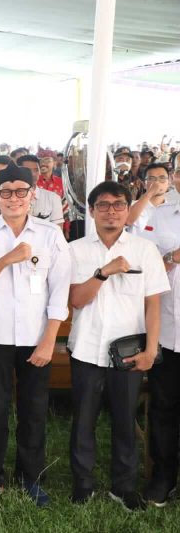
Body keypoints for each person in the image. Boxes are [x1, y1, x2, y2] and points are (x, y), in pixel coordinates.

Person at [0, 165, 71, 507]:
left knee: (34, 409)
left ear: (33, 194)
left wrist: (49, 340)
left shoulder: (50, 234)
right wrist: (7, 259)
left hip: (35, 337)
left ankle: (31, 477)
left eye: (21, 191)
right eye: (6, 192)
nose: (14, 198)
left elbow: (60, 292)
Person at [67, 181, 169, 511]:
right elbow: (76, 299)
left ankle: (123, 487)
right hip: (86, 348)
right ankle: (83, 484)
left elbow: (153, 304)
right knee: (83, 421)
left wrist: (150, 350)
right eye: (104, 205)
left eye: (119, 204)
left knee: (125, 421)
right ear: (92, 210)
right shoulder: (76, 250)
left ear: (128, 209)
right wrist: (103, 273)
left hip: (128, 353)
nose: (111, 211)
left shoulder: (145, 250)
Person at [141, 198, 180, 506]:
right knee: (163, 408)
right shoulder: (161, 215)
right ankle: (164, 477)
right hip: (166, 334)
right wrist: (172, 257)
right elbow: (145, 267)